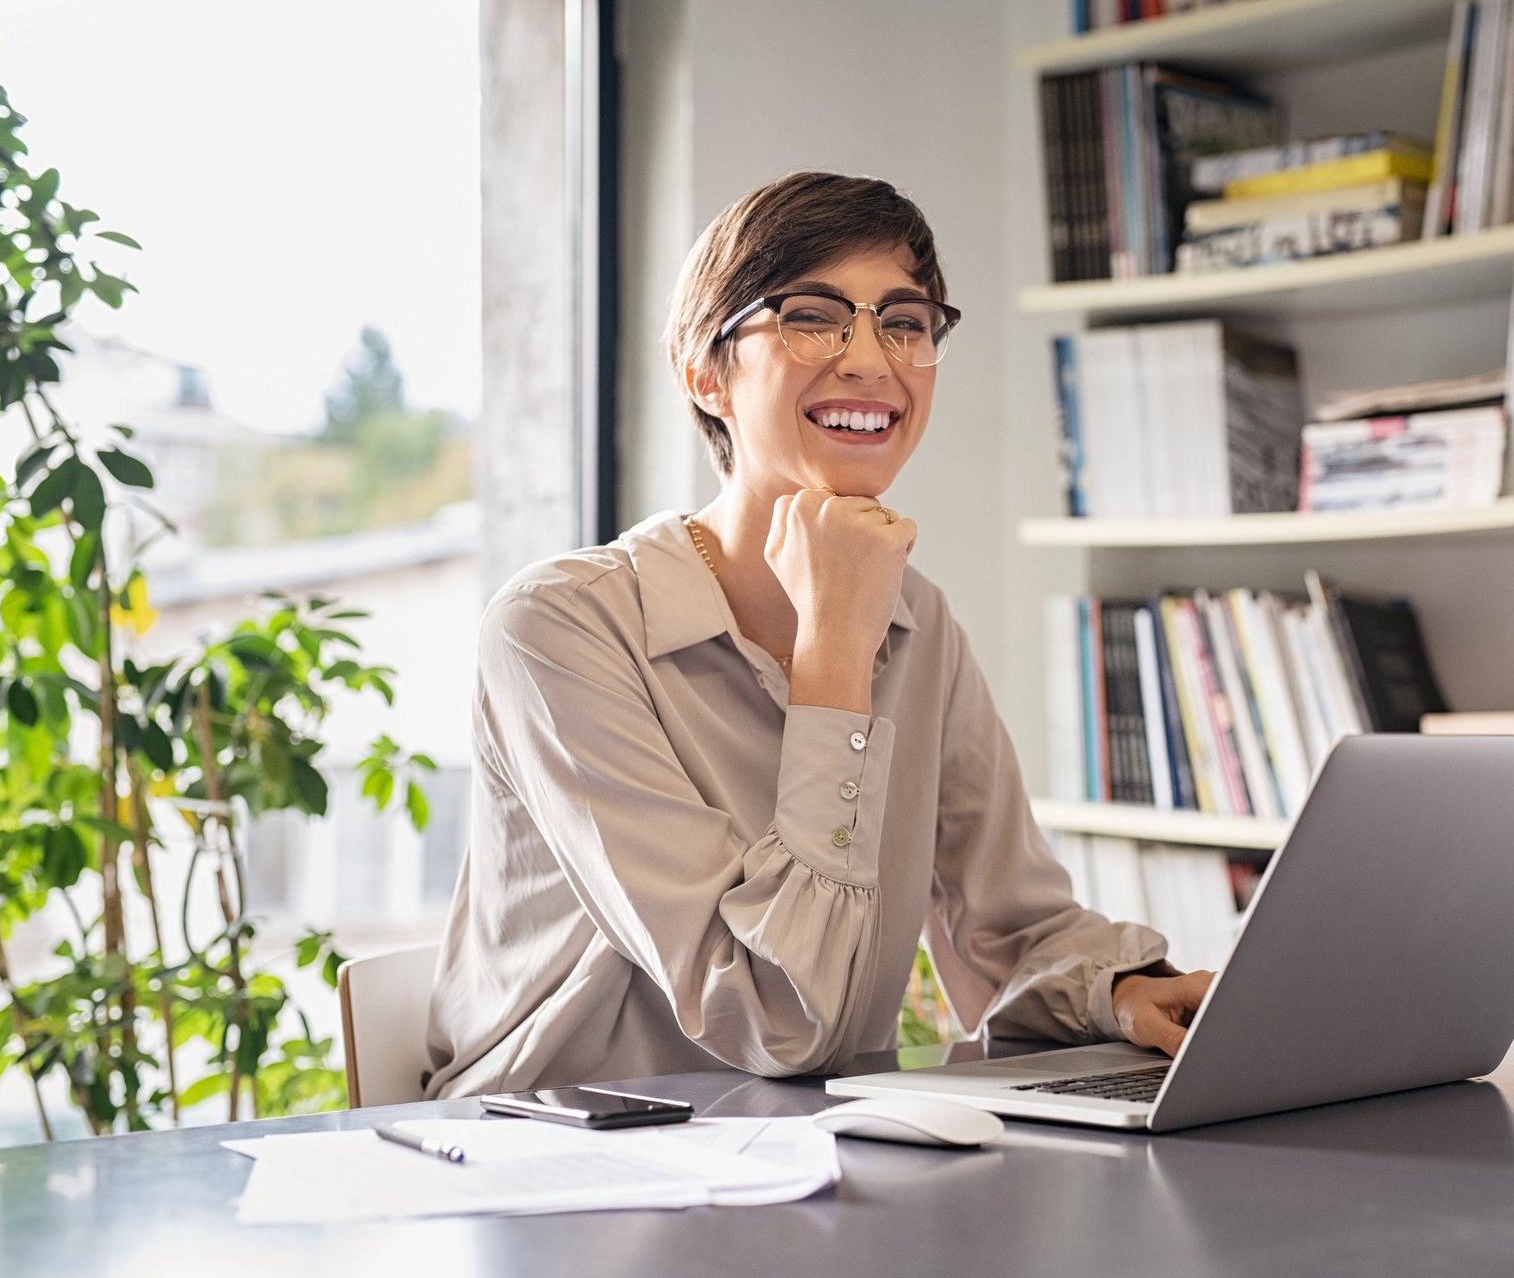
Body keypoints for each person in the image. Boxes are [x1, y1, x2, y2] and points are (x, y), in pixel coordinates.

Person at [424, 171, 1212, 1098]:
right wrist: (833, 653)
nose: (873, 360)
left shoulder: (921, 622)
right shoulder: (557, 628)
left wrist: (1121, 993)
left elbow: (1008, 932)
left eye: (906, 323)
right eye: (813, 315)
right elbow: (773, 1020)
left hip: (797, 1152)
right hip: (555, 1170)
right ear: (704, 371)